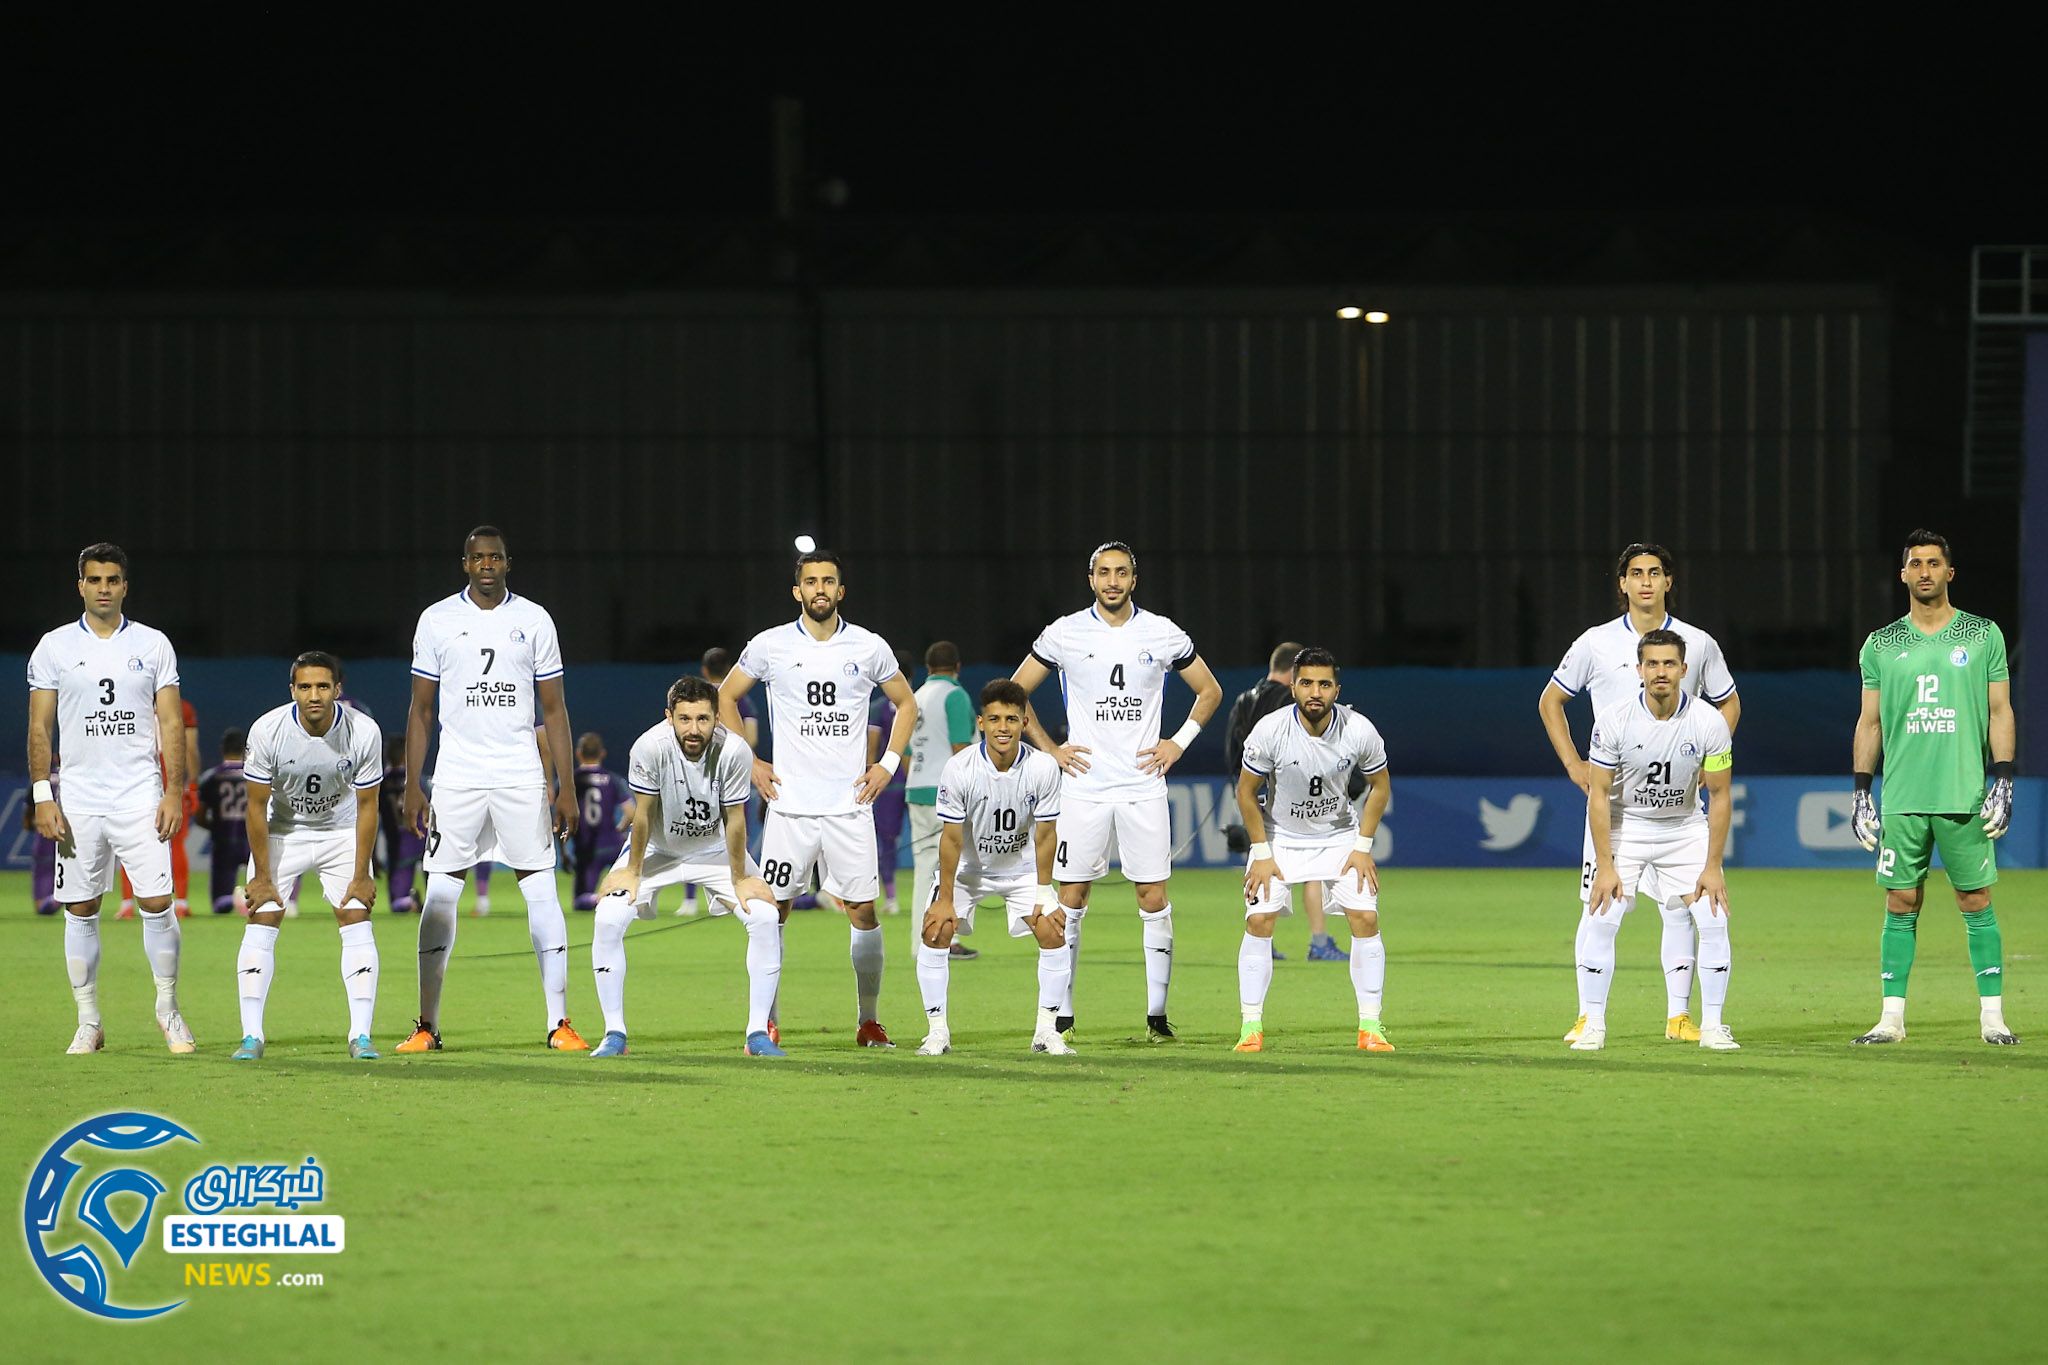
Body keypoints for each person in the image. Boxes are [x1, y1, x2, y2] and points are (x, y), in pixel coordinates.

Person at [1012, 541, 1223, 1043]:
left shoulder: (1162, 632)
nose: (1112, 581)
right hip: (1083, 789)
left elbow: (1209, 690)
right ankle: (1061, 1012)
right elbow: (1015, 692)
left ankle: (1156, 1016)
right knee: (1072, 896)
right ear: (1091, 580)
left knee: (1152, 897)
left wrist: (1178, 742)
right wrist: (1050, 749)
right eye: (1103, 573)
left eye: (1121, 573)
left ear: (1134, 579)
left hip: (1143, 787)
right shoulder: (1064, 632)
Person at [1538, 542, 1739, 1044]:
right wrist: (1574, 764)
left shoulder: (1696, 642)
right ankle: (1589, 1016)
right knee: (1601, 906)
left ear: (1669, 581)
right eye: (1636, 574)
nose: (1646, 581)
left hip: (1678, 810)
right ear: (1622, 584)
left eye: (1655, 573)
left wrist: (1699, 759)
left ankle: (1681, 1016)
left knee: (1682, 909)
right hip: (1615, 808)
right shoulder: (1595, 643)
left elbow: (1728, 705)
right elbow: (1551, 701)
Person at [719, 548, 919, 1048]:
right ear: (797, 590)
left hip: (849, 808)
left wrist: (887, 765)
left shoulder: (869, 646)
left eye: (828, 581)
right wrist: (750, 761)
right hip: (789, 808)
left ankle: (869, 1021)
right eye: (811, 581)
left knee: (863, 914)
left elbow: (906, 702)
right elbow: (725, 696)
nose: (820, 589)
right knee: (772, 913)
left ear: (841, 590)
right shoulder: (770, 645)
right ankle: (766, 1022)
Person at [398, 525, 585, 1053]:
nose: (487, 565)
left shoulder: (534, 619)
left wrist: (563, 785)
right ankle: (426, 1026)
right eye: (478, 558)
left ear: (507, 563)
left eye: (496, 557)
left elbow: (554, 710)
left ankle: (559, 1023)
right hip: (456, 777)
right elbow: (421, 709)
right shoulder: (437, 620)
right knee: (439, 895)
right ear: (465, 563)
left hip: (520, 775)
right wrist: (415, 784)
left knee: (542, 893)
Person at [1849, 531, 2018, 1046]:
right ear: (1902, 574)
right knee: (1900, 901)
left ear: (1950, 573)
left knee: (1975, 900)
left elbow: (1999, 711)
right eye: (1915, 564)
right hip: (1902, 796)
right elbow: (1869, 723)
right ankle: (1891, 1020)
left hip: (1964, 792)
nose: (1924, 571)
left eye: (1934, 563)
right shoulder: (1881, 644)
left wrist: (2004, 778)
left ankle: (1993, 1018)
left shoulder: (1982, 634)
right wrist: (1860, 791)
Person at [26, 542, 193, 1054]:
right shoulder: (53, 646)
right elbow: (40, 726)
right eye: (94, 579)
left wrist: (172, 790)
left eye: (112, 579)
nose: (103, 588)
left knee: (158, 901)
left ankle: (168, 1010)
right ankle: (89, 1021)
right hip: (77, 798)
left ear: (125, 585)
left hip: (139, 795)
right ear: (80, 585)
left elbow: (171, 723)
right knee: (80, 906)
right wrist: (42, 796)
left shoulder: (153, 643)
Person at [592, 677, 784, 1057]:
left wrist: (742, 877)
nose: (693, 729)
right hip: (657, 850)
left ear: (717, 718)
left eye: (702, 719)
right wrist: (631, 870)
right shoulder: (649, 747)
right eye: (684, 719)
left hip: (715, 850)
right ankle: (614, 1035)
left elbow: (735, 820)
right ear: (669, 717)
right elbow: (643, 815)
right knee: (608, 918)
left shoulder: (733, 751)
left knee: (763, 917)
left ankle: (757, 1035)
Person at [1575, 629, 1739, 1052]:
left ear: (1684, 669)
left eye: (1669, 664)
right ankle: (1593, 1023)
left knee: (1714, 917)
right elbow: (1597, 794)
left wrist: (1713, 866)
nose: (1661, 672)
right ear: (1639, 670)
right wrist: (1606, 864)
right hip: (1625, 825)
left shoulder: (1709, 722)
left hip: (1684, 829)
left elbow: (1720, 795)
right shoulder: (1613, 720)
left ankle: (1715, 1026)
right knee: (1602, 917)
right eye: (1652, 663)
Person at [1233, 648, 1394, 1052]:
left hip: (1339, 837)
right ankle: (1250, 1027)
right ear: (1293, 686)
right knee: (1260, 922)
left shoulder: (1359, 729)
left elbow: (1380, 787)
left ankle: (1370, 1027)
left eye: (1324, 684)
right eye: (1307, 683)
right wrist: (1261, 851)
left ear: (1337, 689)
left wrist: (1362, 847)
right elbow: (1246, 793)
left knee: (1365, 918)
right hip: (1280, 838)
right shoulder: (1270, 730)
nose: (1315, 692)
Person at [230, 653, 386, 1060]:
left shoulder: (363, 731)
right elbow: (255, 807)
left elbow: (369, 806)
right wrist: (262, 876)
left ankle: (361, 1036)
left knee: (355, 915)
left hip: (341, 832)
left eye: (322, 686)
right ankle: (252, 1037)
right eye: (304, 687)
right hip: (284, 830)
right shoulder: (268, 730)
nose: (313, 695)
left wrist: (362, 874)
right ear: (292, 690)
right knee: (262, 917)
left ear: (338, 689)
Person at [914, 680, 1067, 1055]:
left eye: (1012, 719)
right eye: (995, 719)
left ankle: (1046, 1032)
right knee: (936, 930)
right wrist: (945, 898)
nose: (1003, 727)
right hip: (969, 870)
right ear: (980, 722)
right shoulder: (960, 768)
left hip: (1022, 870)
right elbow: (950, 839)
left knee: (1053, 930)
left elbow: (1047, 835)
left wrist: (1045, 893)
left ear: (1024, 722)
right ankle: (937, 1032)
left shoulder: (1044, 768)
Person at [907, 640, 976, 937]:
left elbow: (907, 753)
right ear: (957, 668)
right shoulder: (955, 695)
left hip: (917, 787)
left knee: (924, 868)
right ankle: (950, 939)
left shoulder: (915, 697)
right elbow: (961, 747)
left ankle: (919, 940)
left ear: (928, 668)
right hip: (948, 793)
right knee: (955, 867)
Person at [119, 695, 199, 918]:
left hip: (135, 776)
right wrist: (192, 785)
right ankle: (181, 902)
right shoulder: (182, 707)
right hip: (167, 775)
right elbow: (190, 749)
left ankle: (127, 904)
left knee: (130, 841)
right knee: (177, 841)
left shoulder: (128, 701)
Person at [570, 732, 633, 911]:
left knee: (580, 903)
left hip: (587, 849)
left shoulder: (571, 781)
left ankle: (598, 899)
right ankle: (618, 895)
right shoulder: (613, 780)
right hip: (613, 845)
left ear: (578, 753)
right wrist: (619, 830)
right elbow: (630, 812)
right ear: (602, 754)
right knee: (625, 885)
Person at [195, 728, 250, 913]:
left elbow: (200, 814)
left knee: (220, 905)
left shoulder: (211, 777)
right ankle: (246, 900)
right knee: (264, 894)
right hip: (252, 839)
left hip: (223, 840)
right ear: (245, 750)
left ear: (222, 749)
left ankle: (232, 900)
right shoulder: (256, 777)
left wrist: (214, 828)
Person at [868, 682, 911, 918]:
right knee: (935, 840)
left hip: (889, 784)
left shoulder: (877, 708)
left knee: (887, 842)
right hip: (919, 782)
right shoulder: (917, 705)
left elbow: (872, 746)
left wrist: (866, 774)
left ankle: (891, 898)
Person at [378, 733, 422, 912]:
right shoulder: (418, 781)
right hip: (425, 842)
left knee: (397, 904)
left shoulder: (380, 784)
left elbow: (373, 817)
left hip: (398, 847)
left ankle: (411, 902)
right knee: (440, 892)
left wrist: (372, 855)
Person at [27, 759, 59, 914]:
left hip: (45, 834)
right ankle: (60, 898)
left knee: (40, 907)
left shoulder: (41, 780)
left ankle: (55, 900)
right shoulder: (72, 776)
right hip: (69, 833)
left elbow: (29, 812)